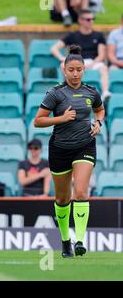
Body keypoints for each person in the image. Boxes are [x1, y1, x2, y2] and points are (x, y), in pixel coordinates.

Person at [34, 45, 105, 258]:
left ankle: (81, 240)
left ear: (84, 70)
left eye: (79, 70)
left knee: (81, 192)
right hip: (59, 149)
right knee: (62, 199)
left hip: (85, 145)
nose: (75, 74)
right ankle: (66, 241)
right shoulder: (55, 93)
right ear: (64, 71)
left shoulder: (92, 92)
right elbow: (38, 121)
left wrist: (99, 122)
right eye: (71, 70)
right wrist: (61, 118)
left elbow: (99, 109)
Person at [51, 10, 110, 100]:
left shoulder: (99, 35)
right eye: (88, 19)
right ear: (80, 20)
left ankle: (105, 92)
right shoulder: (72, 35)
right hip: (76, 61)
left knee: (104, 68)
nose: (91, 21)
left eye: (92, 19)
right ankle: (69, 89)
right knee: (63, 65)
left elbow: (101, 55)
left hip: (92, 62)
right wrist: (62, 58)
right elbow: (54, 48)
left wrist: (93, 63)